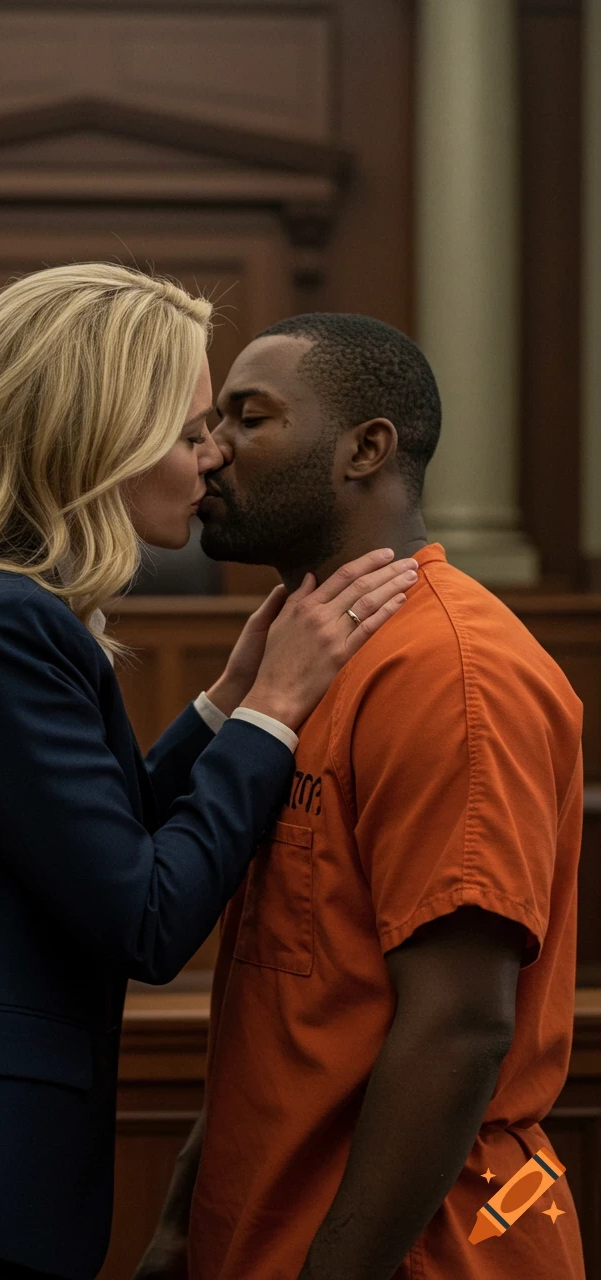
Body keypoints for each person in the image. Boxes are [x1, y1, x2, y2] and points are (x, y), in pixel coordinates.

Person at [0, 267, 416, 1280]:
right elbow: (143, 915)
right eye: (190, 427)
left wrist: (218, 705)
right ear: (94, 435)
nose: (211, 458)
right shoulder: (2, 621)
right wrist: (270, 712)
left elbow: (76, 844)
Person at [135, 313, 586, 1280]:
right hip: (261, 1228)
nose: (208, 454)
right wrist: (181, 1222)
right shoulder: (318, 655)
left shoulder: (451, 670)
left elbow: (461, 1027)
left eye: (246, 420)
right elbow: (293, 994)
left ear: (365, 449)